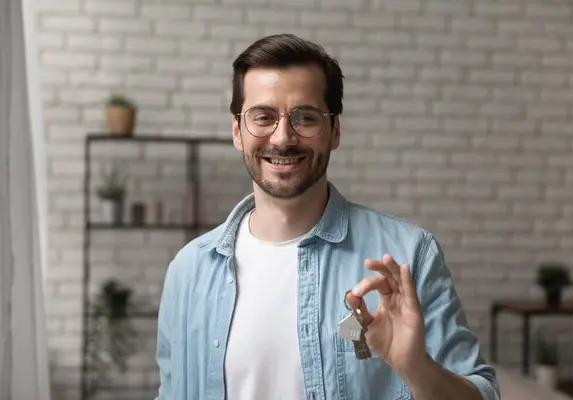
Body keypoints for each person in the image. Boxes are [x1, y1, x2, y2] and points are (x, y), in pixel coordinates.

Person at [154, 33, 500, 400]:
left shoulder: (408, 257)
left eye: (305, 117)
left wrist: (417, 369)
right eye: (263, 117)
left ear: (335, 130)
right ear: (238, 130)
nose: (283, 137)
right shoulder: (188, 270)